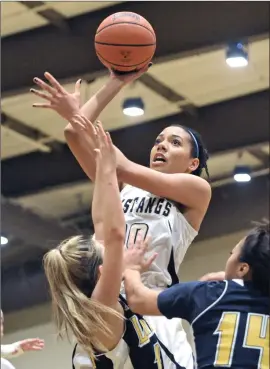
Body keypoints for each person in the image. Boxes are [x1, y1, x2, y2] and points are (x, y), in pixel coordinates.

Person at [31, 69, 212, 369]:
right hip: (106, 296)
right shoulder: (124, 187)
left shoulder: (196, 191)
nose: (162, 145)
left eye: (175, 142)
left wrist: (76, 112)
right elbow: (74, 134)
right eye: (158, 140)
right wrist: (117, 80)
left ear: (193, 163)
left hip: (154, 302)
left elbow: (121, 163)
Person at [43, 126, 181, 368]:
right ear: (100, 272)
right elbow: (116, 234)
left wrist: (101, 169)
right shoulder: (102, 305)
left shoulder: (99, 302)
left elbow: (101, 222)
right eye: (103, 249)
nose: (105, 242)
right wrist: (107, 171)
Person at [123, 224, 270, 369]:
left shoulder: (209, 294)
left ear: (243, 268)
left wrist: (131, 268)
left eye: (231, 254)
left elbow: (138, 300)